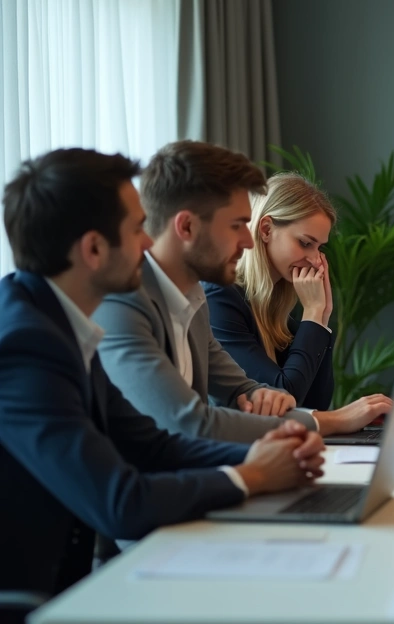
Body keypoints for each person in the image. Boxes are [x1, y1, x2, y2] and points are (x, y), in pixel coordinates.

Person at [0, 148, 325, 596]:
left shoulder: (59, 323)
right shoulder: (26, 346)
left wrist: (267, 453)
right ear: (94, 248)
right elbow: (120, 502)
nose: (150, 243)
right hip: (40, 599)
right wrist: (251, 475)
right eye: (137, 230)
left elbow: (152, 445)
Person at [94, 141, 385, 442]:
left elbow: (248, 393)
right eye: (237, 225)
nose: (248, 241)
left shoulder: (192, 298)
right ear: (187, 227)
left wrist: (277, 400)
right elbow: (191, 424)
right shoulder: (124, 304)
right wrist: (329, 423)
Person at [204, 172, 391, 418]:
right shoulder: (219, 298)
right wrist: (313, 314)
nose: (315, 260)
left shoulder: (273, 306)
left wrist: (322, 317)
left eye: (319, 247)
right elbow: (283, 397)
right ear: (266, 229)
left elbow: (316, 403)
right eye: (305, 243)